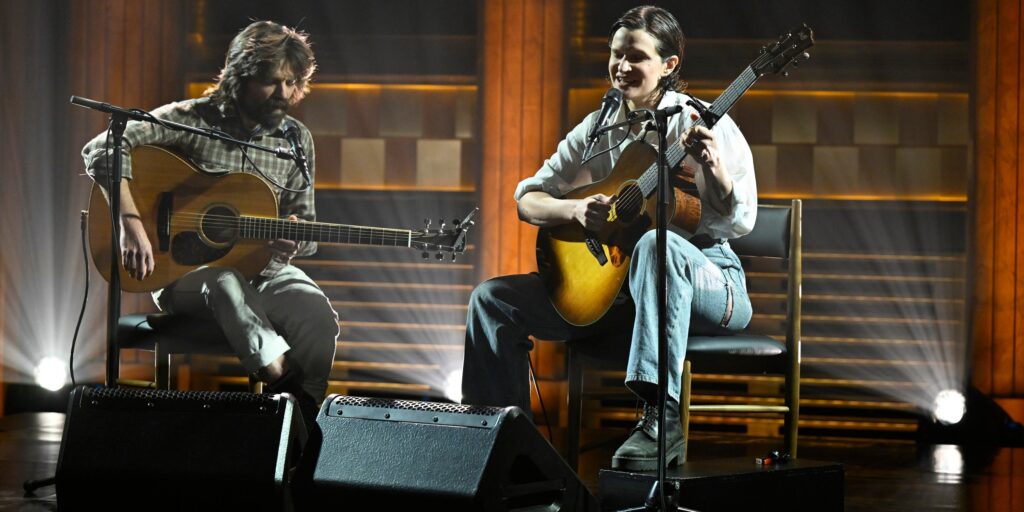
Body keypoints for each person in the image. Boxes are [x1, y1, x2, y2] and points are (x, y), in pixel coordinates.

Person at [461, 5, 757, 471]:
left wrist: (714, 166)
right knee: (492, 300)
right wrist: (575, 209)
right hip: (623, 296)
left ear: (669, 65)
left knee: (655, 244)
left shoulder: (697, 122)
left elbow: (739, 219)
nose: (622, 66)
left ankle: (661, 422)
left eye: (636, 57)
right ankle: (501, 446)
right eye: (617, 54)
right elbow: (528, 200)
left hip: (712, 280)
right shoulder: (599, 127)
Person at [82, 21, 338, 427]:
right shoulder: (190, 119)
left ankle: (305, 425)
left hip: (266, 273)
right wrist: (130, 222)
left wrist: (293, 240)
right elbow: (103, 147)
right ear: (240, 76)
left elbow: (305, 226)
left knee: (317, 312)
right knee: (225, 282)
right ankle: (284, 384)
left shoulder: (295, 140)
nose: (283, 94)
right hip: (186, 277)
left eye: (291, 83)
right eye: (271, 81)